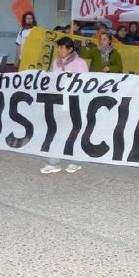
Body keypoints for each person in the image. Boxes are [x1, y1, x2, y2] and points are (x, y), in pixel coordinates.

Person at [41, 37, 89, 174]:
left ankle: (76, 160)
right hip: (58, 101)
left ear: (70, 49)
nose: (59, 50)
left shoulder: (80, 63)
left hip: (74, 102)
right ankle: (53, 162)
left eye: (62, 47)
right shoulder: (56, 63)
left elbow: (85, 83)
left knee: (74, 131)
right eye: (58, 47)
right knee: (54, 130)